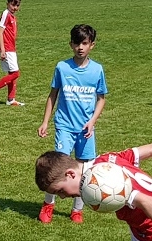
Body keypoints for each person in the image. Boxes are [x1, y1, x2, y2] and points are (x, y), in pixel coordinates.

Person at [37, 24, 107, 224]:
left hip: (85, 129)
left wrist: (92, 122)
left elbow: (101, 99)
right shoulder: (62, 67)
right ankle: (48, 204)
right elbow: (53, 95)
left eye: (84, 43)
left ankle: (77, 209)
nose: (80, 48)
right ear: (71, 44)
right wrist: (45, 122)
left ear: (92, 45)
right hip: (64, 126)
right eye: (76, 43)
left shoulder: (97, 70)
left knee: (84, 170)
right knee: (57, 168)